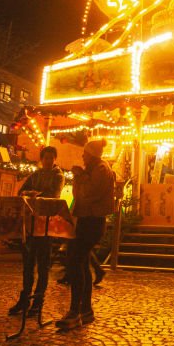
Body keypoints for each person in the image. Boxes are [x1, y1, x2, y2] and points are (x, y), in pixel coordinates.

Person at [56, 140, 115, 330]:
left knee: (74, 261)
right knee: (80, 262)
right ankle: (85, 309)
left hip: (92, 220)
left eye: (85, 153)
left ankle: (75, 311)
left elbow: (87, 193)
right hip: (87, 219)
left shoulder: (100, 170)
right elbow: (80, 194)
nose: (82, 156)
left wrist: (79, 177)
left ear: (91, 154)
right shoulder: (93, 169)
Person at [9, 146, 65, 316]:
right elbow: (21, 191)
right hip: (32, 224)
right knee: (28, 264)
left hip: (46, 224)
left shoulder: (58, 176)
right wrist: (28, 192)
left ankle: (38, 301)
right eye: (45, 158)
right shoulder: (36, 175)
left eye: (50, 158)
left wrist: (37, 194)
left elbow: (53, 195)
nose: (47, 161)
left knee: (42, 265)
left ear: (54, 159)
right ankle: (24, 298)